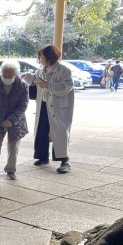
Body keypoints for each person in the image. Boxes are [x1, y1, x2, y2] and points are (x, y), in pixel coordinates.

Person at [22, 44, 74, 174]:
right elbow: (35, 80)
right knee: (41, 130)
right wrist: (29, 77)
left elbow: (67, 87)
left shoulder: (64, 70)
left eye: (41, 57)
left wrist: (48, 85)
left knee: (60, 132)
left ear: (49, 56)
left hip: (58, 107)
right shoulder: (41, 69)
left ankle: (64, 161)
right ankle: (42, 156)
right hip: (43, 104)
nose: (40, 59)